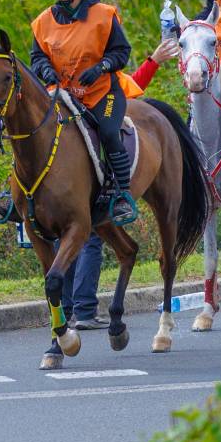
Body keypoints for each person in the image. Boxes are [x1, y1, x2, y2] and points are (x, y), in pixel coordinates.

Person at [59, 33, 178, 328]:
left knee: (76, 235)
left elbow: (129, 90)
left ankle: (75, 308)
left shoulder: (87, 70)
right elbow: (129, 90)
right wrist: (153, 61)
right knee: (89, 236)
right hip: (84, 145)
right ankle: (83, 309)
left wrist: (153, 61)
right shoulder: (84, 71)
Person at [29, 0, 138, 225]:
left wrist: (100, 68)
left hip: (101, 94)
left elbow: (121, 52)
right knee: (32, 130)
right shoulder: (43, 21)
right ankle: (17, 193)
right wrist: (44, 69)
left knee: (109, 130)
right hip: (61, 95)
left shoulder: (103, 15)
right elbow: (37, 56)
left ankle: (121, 194)